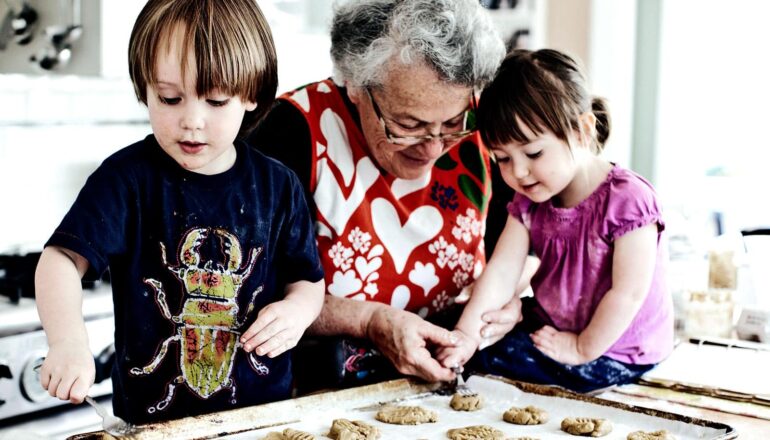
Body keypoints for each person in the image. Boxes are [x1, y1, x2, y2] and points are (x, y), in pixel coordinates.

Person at [34, 0, 324, 425]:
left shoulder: (279, 186)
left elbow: (308, 281)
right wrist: (66, 340)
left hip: (262, 420)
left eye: (216, 100)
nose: (192, 120)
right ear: (144, 89)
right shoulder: (126, 180)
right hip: (149, 425)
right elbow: (59, 260)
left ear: (250, 96)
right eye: (169, 98)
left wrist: (297, 312)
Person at [249, 0, 526, 390]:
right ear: (356, 84)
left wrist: (509, 306)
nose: (433, 147)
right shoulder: (290, 133)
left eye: (451, 123)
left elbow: (519, 252)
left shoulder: (485, 130)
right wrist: (369, 321)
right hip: (319, 392)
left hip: (458, 386)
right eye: (408, 125)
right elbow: (251, 289)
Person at [439, 49, 674, 393]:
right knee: (471, 348)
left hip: (617, 349)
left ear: (581, 131)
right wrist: (465, 335)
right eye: (502, 159)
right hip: (558, 330)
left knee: (495, 368)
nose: (518, 172)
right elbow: (502, 271)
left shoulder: (628, 199)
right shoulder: (530, 202)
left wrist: (581, 347)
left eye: (533, 153)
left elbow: (629, 293)